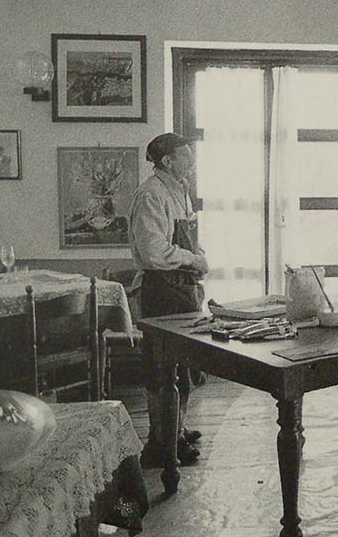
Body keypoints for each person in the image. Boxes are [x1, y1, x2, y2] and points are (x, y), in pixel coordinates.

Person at [128, 132, 210, 466]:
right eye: (186, 154)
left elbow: (185, 240)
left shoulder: (178, 189)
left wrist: (199, 258)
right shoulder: (152, 193)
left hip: (182, 289)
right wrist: (193, 260)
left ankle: (175, 429)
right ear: (167, 161)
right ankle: (161, 443)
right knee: (162, 367)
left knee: (183, 366)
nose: (192, 159)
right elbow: (153, 251)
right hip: (162, 291)